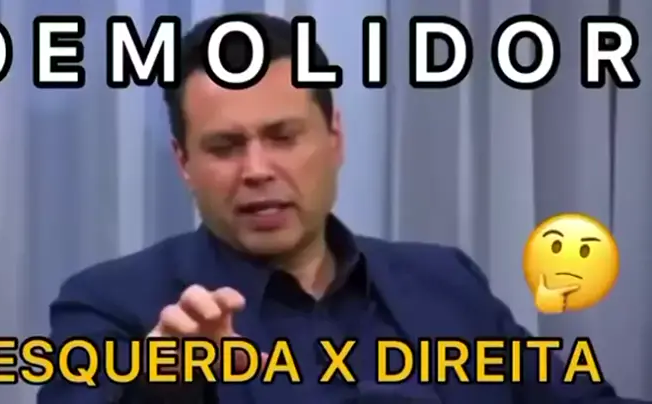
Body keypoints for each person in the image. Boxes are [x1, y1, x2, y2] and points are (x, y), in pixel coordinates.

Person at [37, 12, 646, 404]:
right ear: (183, 161)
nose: (256, 169)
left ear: (335, 137)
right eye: (225, 147)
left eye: (283, 136)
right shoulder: (110, 304)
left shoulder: (446, 280)